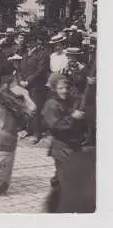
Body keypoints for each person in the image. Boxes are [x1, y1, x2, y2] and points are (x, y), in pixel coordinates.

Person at [42, 74, 88, 212]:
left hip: (73, 145)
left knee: (63, 176)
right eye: (60, 88)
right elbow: (56, 125)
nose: (64, 91)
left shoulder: (69, 102)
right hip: (60, 146)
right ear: (54, 89)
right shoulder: (51, 104)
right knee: (65, 177)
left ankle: (55, 203)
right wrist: (73, 117)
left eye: (66, 87)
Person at [19, 33, 50, 144]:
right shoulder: (25, 54)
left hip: (37, 86)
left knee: (35, 109)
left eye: (31, 41)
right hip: (25, 85)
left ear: (36, 41)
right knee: (26, 108)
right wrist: (21, 80)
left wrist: (28, 81)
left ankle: (37, 134)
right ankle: (28, 130)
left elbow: (40, 71)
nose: (29, 44)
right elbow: (20, 68)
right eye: (27, 42)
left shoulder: (42, 54)